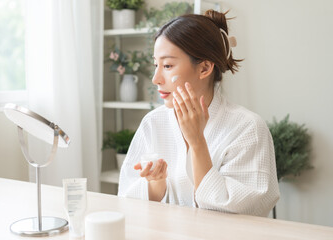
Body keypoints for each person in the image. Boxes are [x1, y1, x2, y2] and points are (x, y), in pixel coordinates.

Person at [118, 9, 280, 217]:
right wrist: (156, 185)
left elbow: (245, 210)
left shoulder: (248, 128)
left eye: (167, 65)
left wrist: (196, 141)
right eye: (155, 64)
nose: (156, 78)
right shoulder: (153, 122)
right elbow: (125, 196)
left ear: (204, 68)